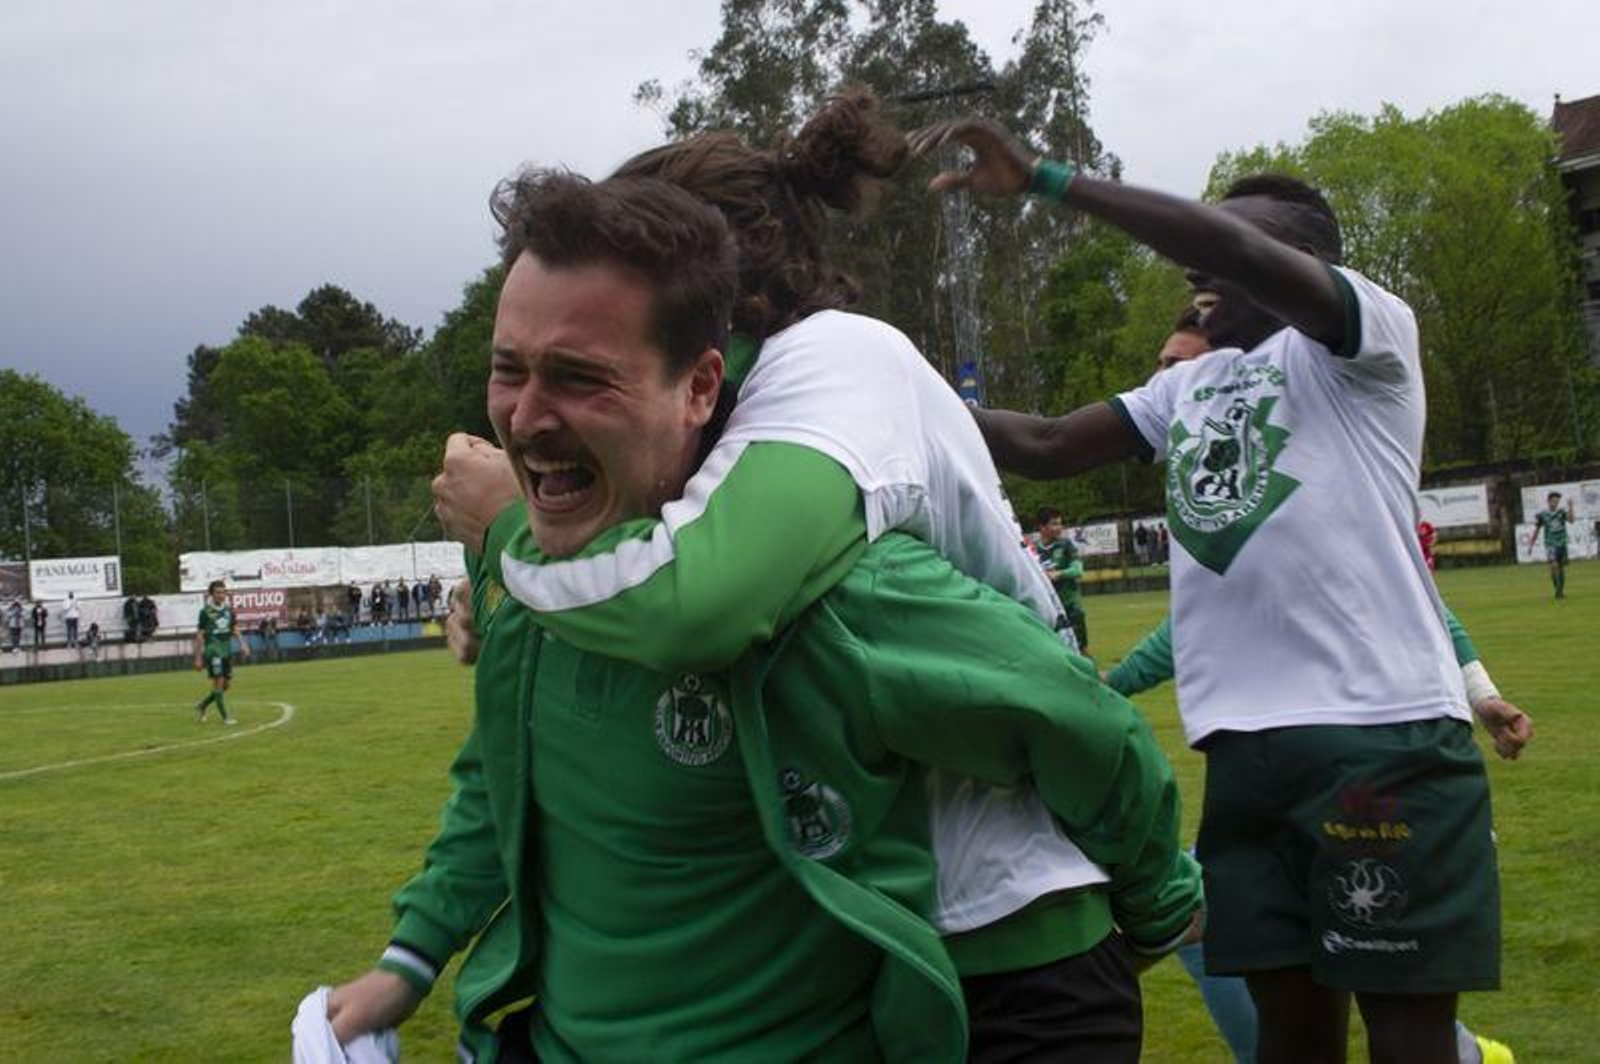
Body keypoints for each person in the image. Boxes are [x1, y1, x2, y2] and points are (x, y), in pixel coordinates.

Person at [328, 170, 1198, 1062]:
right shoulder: (560, 579)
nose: (530, 416)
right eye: (509, 369)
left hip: (1011, 944)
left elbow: (1077, 723)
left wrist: (1161, 901)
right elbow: (497, 780)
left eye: (584, 378)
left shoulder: (826, 562)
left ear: (709, 383)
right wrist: (412, 955)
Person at [911, 116, 1503, 1064]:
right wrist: (882, 387)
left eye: (1229, 245)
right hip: (1244, 751)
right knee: (1289, 1034)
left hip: (1380, 736)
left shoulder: (1367, 346)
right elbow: (1048, 445)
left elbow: (1217, 241)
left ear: (1297, 263)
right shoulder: (1194, 386)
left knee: (1406, 1036)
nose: (1197, 266)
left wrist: (1048, 181)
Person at [1032, 505, 1089, 652]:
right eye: (1054, 524)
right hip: (1048, 610)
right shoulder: (1032, 550)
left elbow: (1078, 570)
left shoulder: (1066, 545)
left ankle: (1090, 675)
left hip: (1071, 608)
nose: (1059, 527)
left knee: (1082, 651)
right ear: (1042, 527)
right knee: (1054, 652)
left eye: (1060, 523)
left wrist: (1059, 574)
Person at [193, 579, 249, 725]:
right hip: (213, 651)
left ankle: (202, 705)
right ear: (211, 594)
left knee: (226, 685)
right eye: (218, 592)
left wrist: (243, 644)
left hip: (226, 651)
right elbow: (199, 635)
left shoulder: (229, 611)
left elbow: (234, 629)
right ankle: (226, 717)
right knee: (218, 683)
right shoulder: (205, 612)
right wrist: (198, 657)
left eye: (223, 592)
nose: (221, 595)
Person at [1527, 490, 1575, 598]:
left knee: (1561, 568)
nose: (1555, 503)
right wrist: (1531, 545)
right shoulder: (1543, 515)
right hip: (1550, 544)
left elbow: (1571, 520)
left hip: (1562, 542)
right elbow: (1537, 530)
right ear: (1548, 501)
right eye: (1553, 501)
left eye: (1557, 501)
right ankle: (1558, 590)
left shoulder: (1562, 512)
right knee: (1553, 566)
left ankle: (1560, 591)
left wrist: (1571, 507)